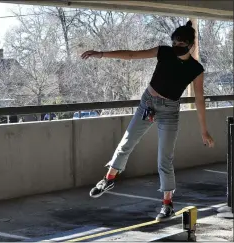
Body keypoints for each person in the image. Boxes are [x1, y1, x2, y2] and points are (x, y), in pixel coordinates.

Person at [81, 20, 215, 222]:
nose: (176, 48)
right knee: (127, 142)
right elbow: (132, 55)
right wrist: (101, 54)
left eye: (181, 45)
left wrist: (204, 130)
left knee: (165, 158)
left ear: (190, 45)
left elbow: (199, 99)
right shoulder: (164, 52)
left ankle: (167, 204)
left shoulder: (196, 69)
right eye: (174, 44)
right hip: (148, 104)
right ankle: (108, 179)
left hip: (170, 111)